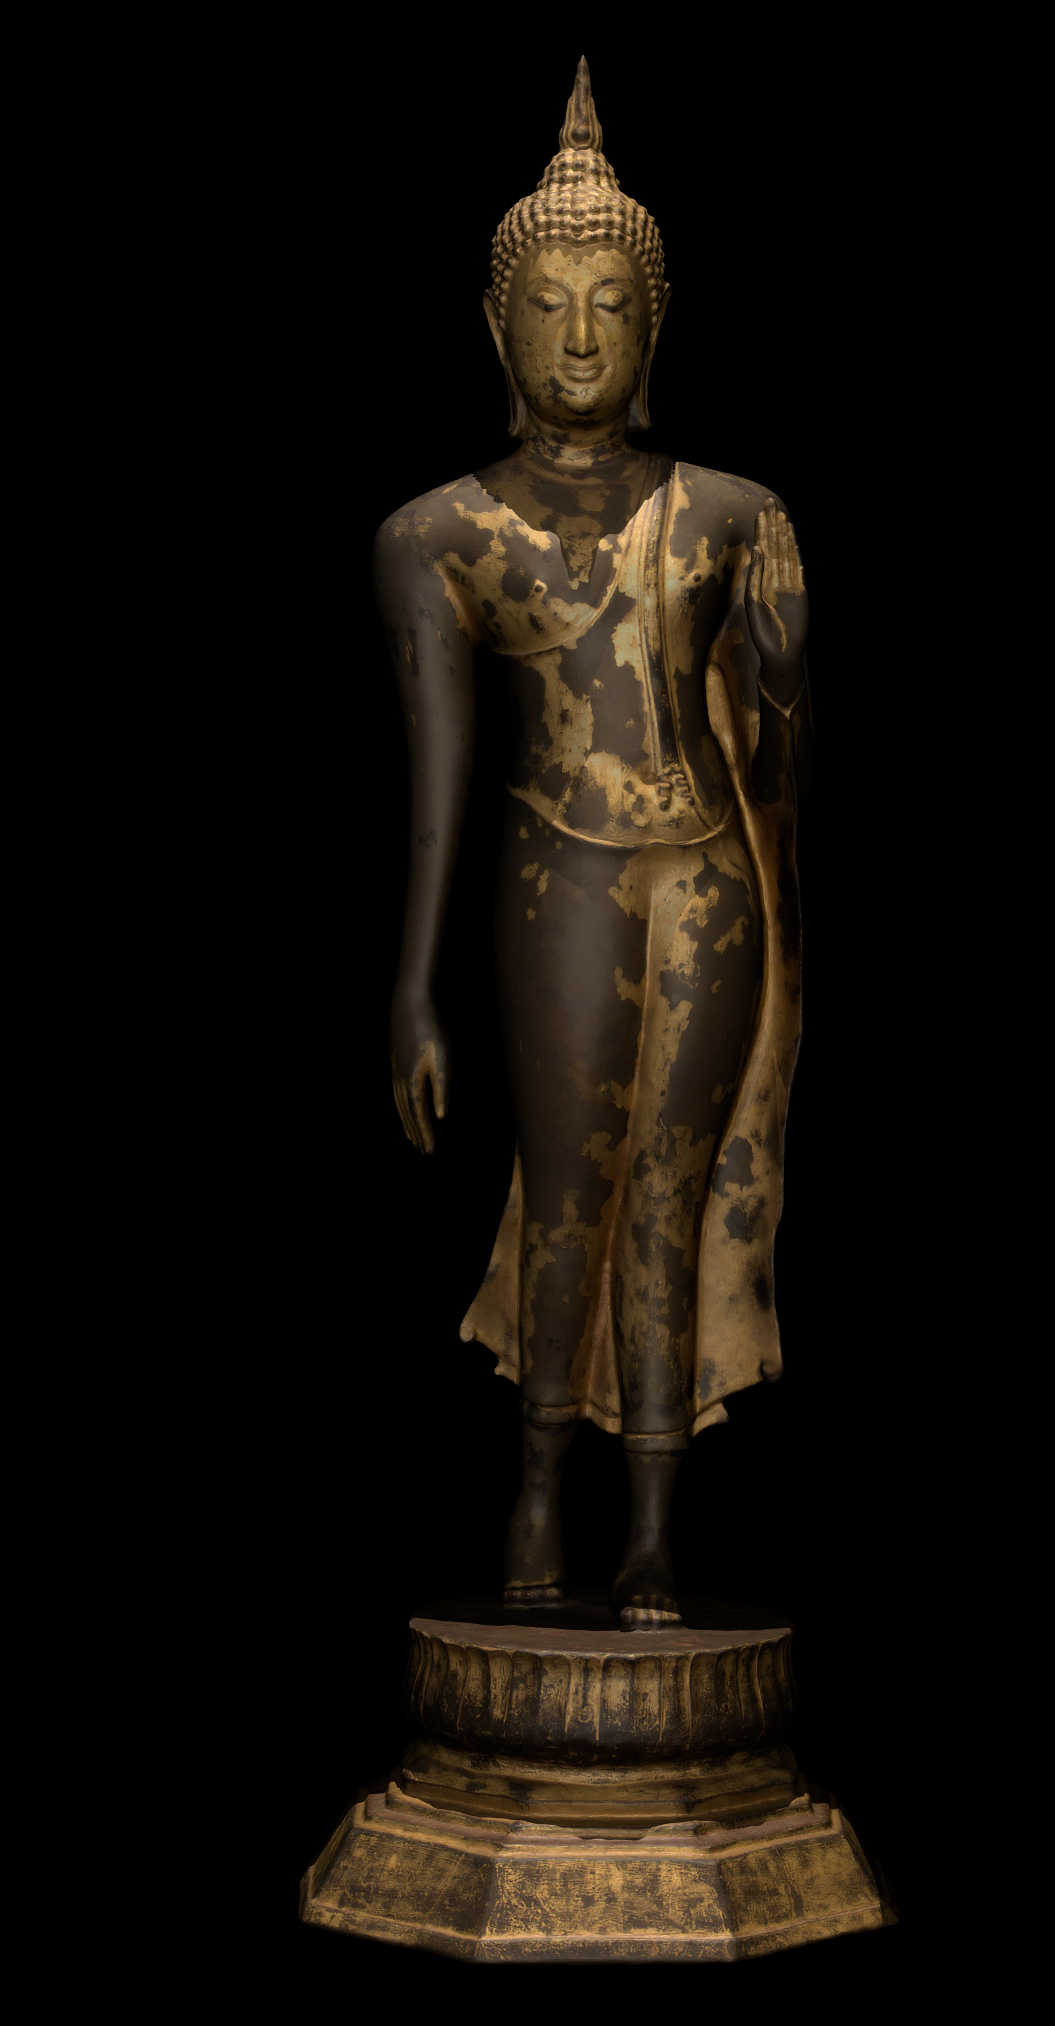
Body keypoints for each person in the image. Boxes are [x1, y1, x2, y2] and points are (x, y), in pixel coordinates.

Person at [374, 59, 813, 1627]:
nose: (578, 338)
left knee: (670, 1195)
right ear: (494, 325)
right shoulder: (438, 535)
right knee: (568, 1184)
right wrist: (412, 988)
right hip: (552, 869)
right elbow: (438, 776)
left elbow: (779, 763)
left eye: (609, 305)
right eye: (547, 305)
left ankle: (649, 1531)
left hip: (706, 873)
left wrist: (777, 670)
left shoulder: (735, 514)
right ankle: (538, 1489)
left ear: (654, 322)